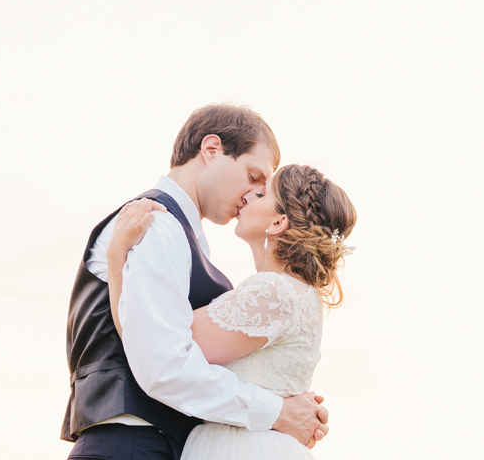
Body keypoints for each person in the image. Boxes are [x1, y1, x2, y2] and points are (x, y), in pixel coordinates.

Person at [62, 104, 329, 460]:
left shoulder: (185, 236)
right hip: (130, 443)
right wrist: (278, 411)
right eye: (253, 177)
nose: (252, 194)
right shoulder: (155, 225)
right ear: (212, 150)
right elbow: (164, 363)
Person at [107, 164, 356, 459]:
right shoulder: (298, 293)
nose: (248, 195)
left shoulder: (274, 293)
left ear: (278, 222)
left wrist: (116, 257)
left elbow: (154, 345)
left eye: (262, 193)